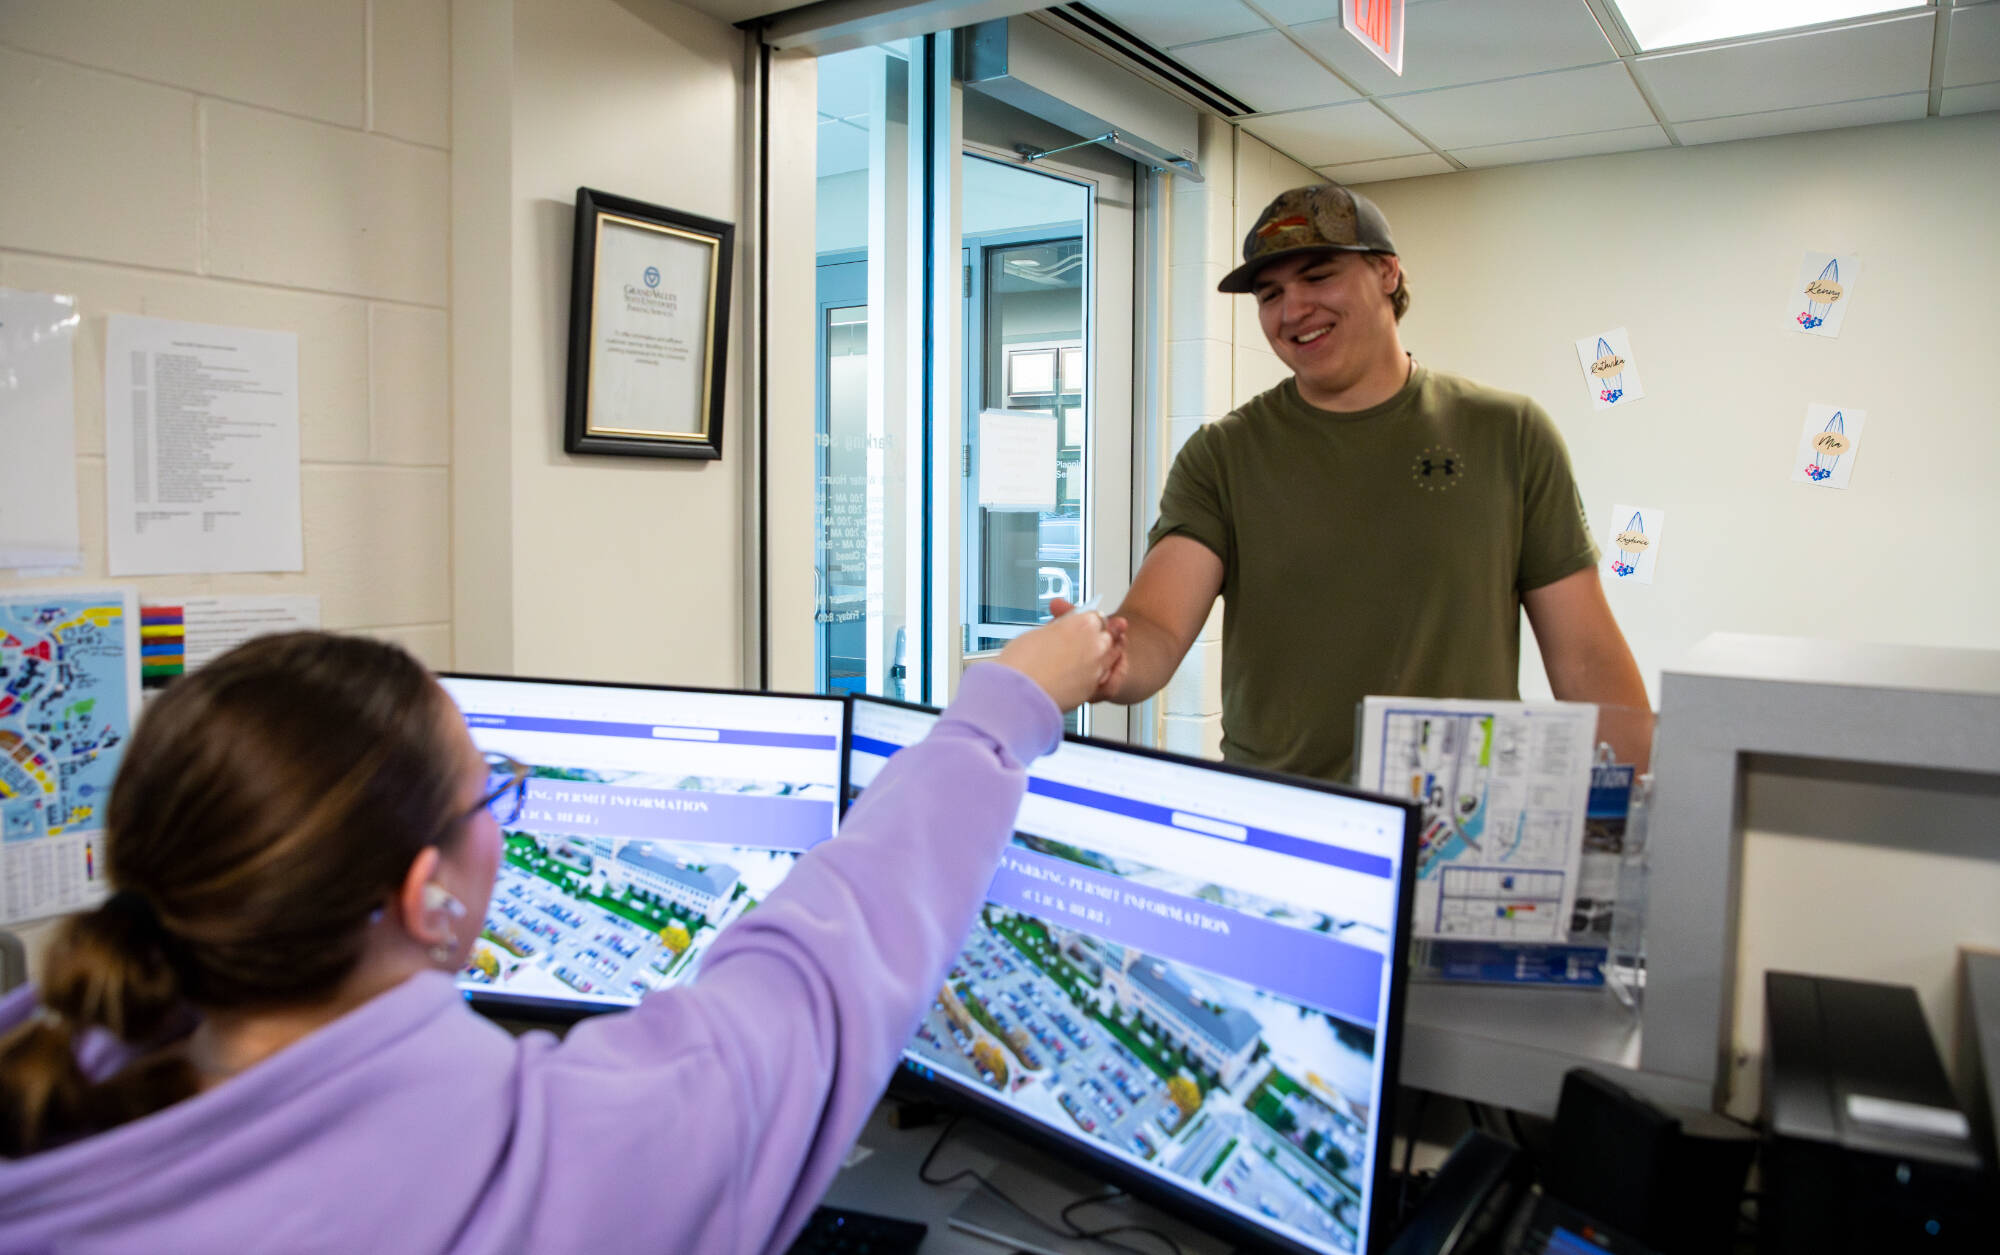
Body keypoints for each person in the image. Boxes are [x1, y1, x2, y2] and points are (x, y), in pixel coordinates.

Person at [0, 617, 1113, 1252]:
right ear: (429, 896)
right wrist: (998, 713)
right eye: (493, 797)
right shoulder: (534, 1160)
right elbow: (814, 976)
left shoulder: (48, 1074)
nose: (503, 817)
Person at [1091, 182, 1650, 782]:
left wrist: (1640, 810)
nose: (1291, 310)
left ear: (1387, 272)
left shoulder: (1508, 433)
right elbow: (1158, 624)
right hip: (1287, 816)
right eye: (1270, 293)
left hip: (1458, 819)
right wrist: (1110, 659)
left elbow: (1586, 658)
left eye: (1318, 276)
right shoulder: (1223, 455)